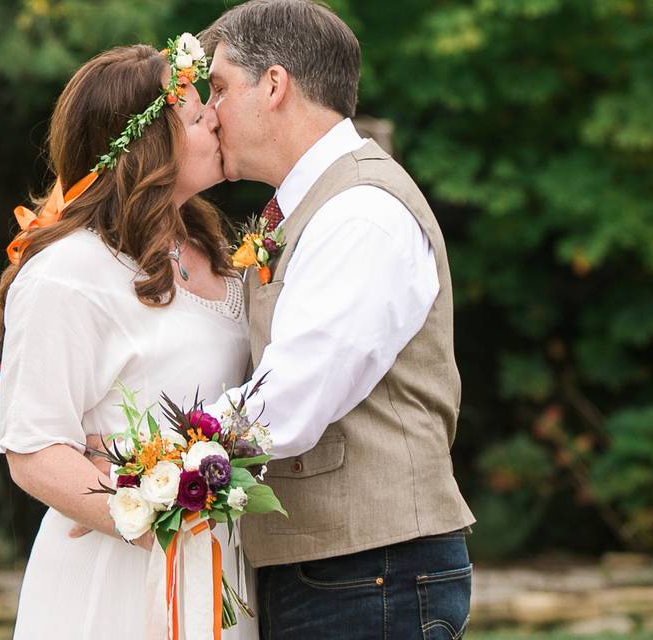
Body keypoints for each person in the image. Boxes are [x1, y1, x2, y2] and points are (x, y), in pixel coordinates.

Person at [200, 1, 477, 638]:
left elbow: (288, 405)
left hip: (368, 571)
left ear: (273, 85)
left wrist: (158, 461)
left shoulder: (360, 214)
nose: (209, 112)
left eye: (218, 88)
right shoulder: (308, 206)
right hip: (340, 570)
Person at [0, 41, 257, 639]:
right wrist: (155, 503)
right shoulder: (69, 274)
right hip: (118, 578)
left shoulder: (220, 252)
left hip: (224, 567)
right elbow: (33, 452)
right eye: (194, 116)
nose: (215, 115)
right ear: (147, 150)